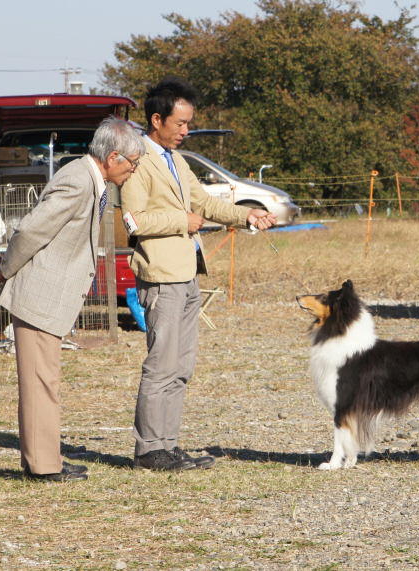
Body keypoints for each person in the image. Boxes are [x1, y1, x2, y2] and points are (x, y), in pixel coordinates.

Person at [120, 77, 276, 471]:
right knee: (162, 364)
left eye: (189, 123)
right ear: (157, 120)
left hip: (187, 273)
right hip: (161, 274)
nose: (186, 131)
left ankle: (168, 446)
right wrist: (181, 220)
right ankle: (149, 450)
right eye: (180, 123)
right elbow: (134, 220)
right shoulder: (137, 160)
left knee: (181, 365)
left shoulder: (177, 161)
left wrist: (246, 215)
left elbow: (204, 202)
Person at [0, 117, 145, 482]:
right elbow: (32, 228)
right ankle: (44, 466)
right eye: (133, 163)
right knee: (40, 382)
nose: (134, 171)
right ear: (113, 157)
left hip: (49, 297)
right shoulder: (77, 179)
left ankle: (46, 459)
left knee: (45, 381)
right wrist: (5, 271)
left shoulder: (92, 179)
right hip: (38, 295)